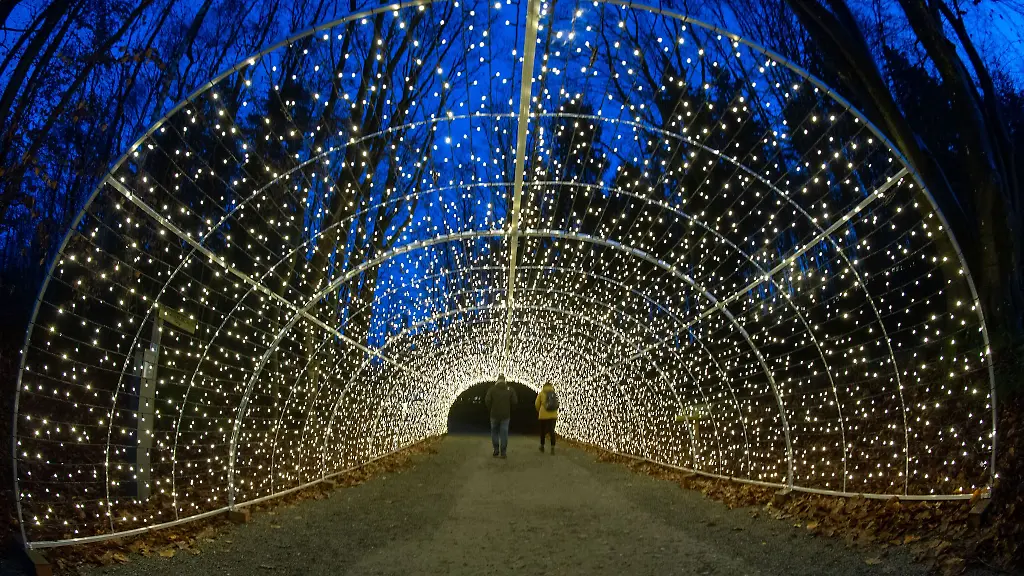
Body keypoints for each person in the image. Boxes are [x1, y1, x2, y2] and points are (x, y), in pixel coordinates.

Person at [485, 374, 518, 458]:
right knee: (504, 433)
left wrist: (491, 409)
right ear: (504, 380)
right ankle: (503, 452)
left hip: (494, 414)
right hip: (506, 415)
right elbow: (515, 401)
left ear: (497, 380)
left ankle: (496, 450)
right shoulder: (510, 389)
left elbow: (487, 400)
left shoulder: (492, 389)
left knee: (494, 432)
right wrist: (510, 409)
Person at [535, 381, 559, 454]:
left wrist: (539, 410)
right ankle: (553, 447)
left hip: (543, 415)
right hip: (553, 415)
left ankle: (542, 446)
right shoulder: (554, 393)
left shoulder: (542, 393)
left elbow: (537, 403)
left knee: (542, 431)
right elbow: (557, 404)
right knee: (552, 431)